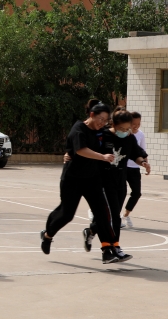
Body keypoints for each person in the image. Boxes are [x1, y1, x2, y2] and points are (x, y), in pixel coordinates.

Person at [41, 101, 119, 264]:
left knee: (102, 213)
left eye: (106, 120)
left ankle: (107, 251)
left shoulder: (102, 131)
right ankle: (48, 235)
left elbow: (115, 133)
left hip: (92, 178)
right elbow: (80, 150)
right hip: (73, 179)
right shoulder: (78, 129)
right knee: (67, 214)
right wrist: (102, 157)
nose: (102, 123)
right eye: (100, 119)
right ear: (91, 115)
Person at [77, 108, 150, 261]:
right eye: (121, 128)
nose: (124, 131)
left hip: (120, 182)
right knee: (113, 217)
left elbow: (136, 154)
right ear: (113, 124)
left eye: (127, 128)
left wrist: (143, 162)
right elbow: (86, 148)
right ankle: (113, 248)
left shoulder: (130, 138)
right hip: (103, 181)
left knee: (110, 215)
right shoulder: (102, 135)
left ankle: (91, 231)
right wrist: (69, 154)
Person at [122, 112, 145, 229]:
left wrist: (145, 163)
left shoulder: (141, 135)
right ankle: (114, 217)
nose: (136, 126)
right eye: (134, 124)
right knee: (121, 192)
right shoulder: (124, 134)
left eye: (138, 124)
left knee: (137, 193)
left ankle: (125, 215)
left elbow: (142, 151)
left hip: (135, 168)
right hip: (123, 167)